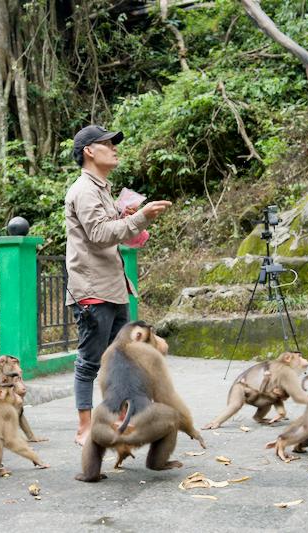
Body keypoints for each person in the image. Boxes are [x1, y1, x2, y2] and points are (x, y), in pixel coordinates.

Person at [65, 125, 172, 445]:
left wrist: (125, 213)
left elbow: (110, 227)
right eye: (107, 144)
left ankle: (122, 419)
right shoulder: (83, 190)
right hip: (92, 290)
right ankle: (84, 426)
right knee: (90, 361)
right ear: (89, 151)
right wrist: (140, 218)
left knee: (124, 359)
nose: (115, 148)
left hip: (113, 287)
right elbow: (98, 235)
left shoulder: (102, 189)